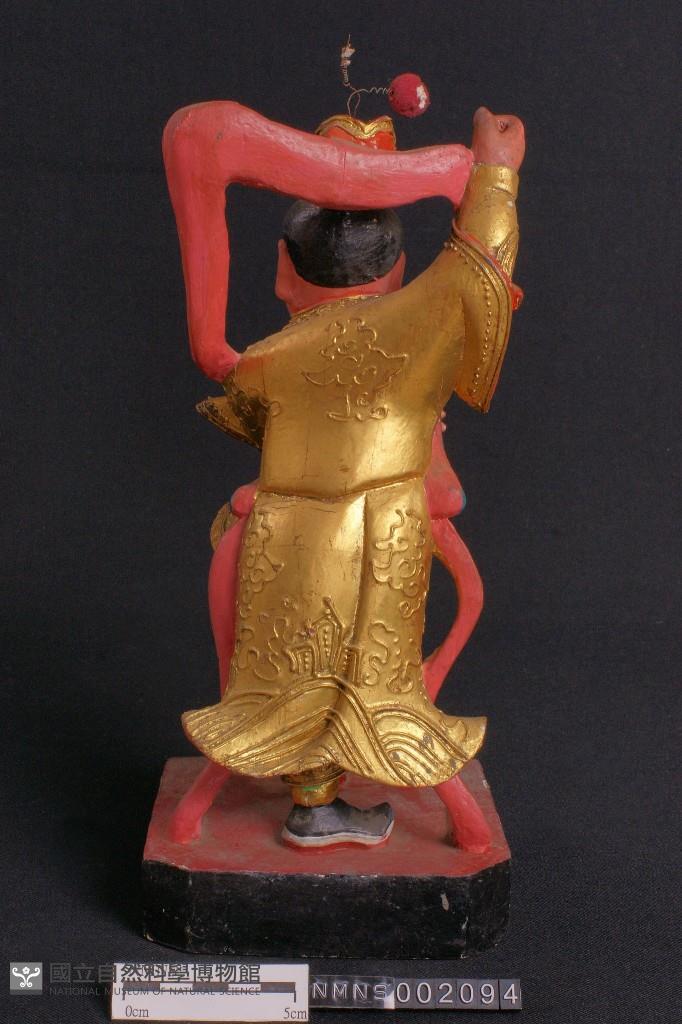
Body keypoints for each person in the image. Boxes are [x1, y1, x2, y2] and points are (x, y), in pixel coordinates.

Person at [163, 102, 525, 846]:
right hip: (382, 530)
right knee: (377, 681)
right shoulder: (419, 323)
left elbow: (247, 407)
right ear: (398, 272)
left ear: (284, 272)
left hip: (284, 534)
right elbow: (480, 271)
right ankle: (399, 807)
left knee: (287, 671)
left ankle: (307, 799)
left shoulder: (265, 359)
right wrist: (494, 177)